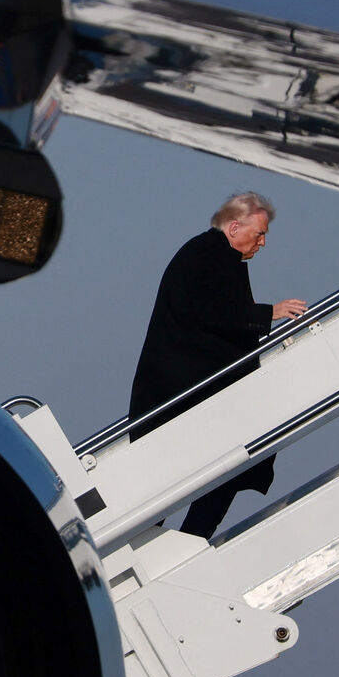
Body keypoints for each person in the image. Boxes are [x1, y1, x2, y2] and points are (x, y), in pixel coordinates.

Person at [128, 191, 306, 538]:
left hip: (189, 394)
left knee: (218, 472)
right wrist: (268, 313)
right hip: (183, 396)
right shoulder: (206, 256)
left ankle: (181, 542)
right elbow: (209, 314)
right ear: (235, 228)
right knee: (215, 470)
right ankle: (182, 542)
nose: (263, 243)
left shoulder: (211, 255)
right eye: (260, 234)